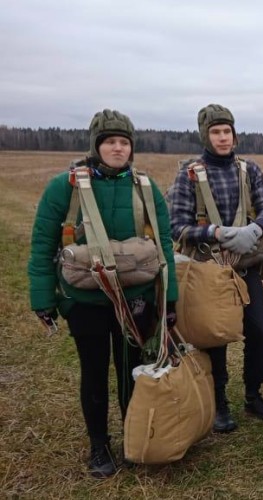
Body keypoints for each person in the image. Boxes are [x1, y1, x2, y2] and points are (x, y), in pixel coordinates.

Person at [28, 110, 178, 478]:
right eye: (109, 141)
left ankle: (134, 436)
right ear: (96, 145)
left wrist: (169, 297)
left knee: (132, 370)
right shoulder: (64, 187)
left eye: (124, 142)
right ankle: (99, 446)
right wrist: (43, 298)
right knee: (93, 372)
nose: (117, 148)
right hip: (86, 302)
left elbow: (165, 246)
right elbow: (42, 245)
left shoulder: (145, 187)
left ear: (132, 148)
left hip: (137, 299)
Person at [169, 104, 263, 432]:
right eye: (216, 132)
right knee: (214, 337)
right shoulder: (189, 173)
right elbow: (177, 226)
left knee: (261, 331)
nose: (222, 137)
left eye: (227, 131)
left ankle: (254, 394)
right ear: (206, 135)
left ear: (234, 134)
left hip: (245, 270)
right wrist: (215, 232)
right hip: (207, 272)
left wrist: (255, 230)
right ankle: (219, 403)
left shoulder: (250, 170)